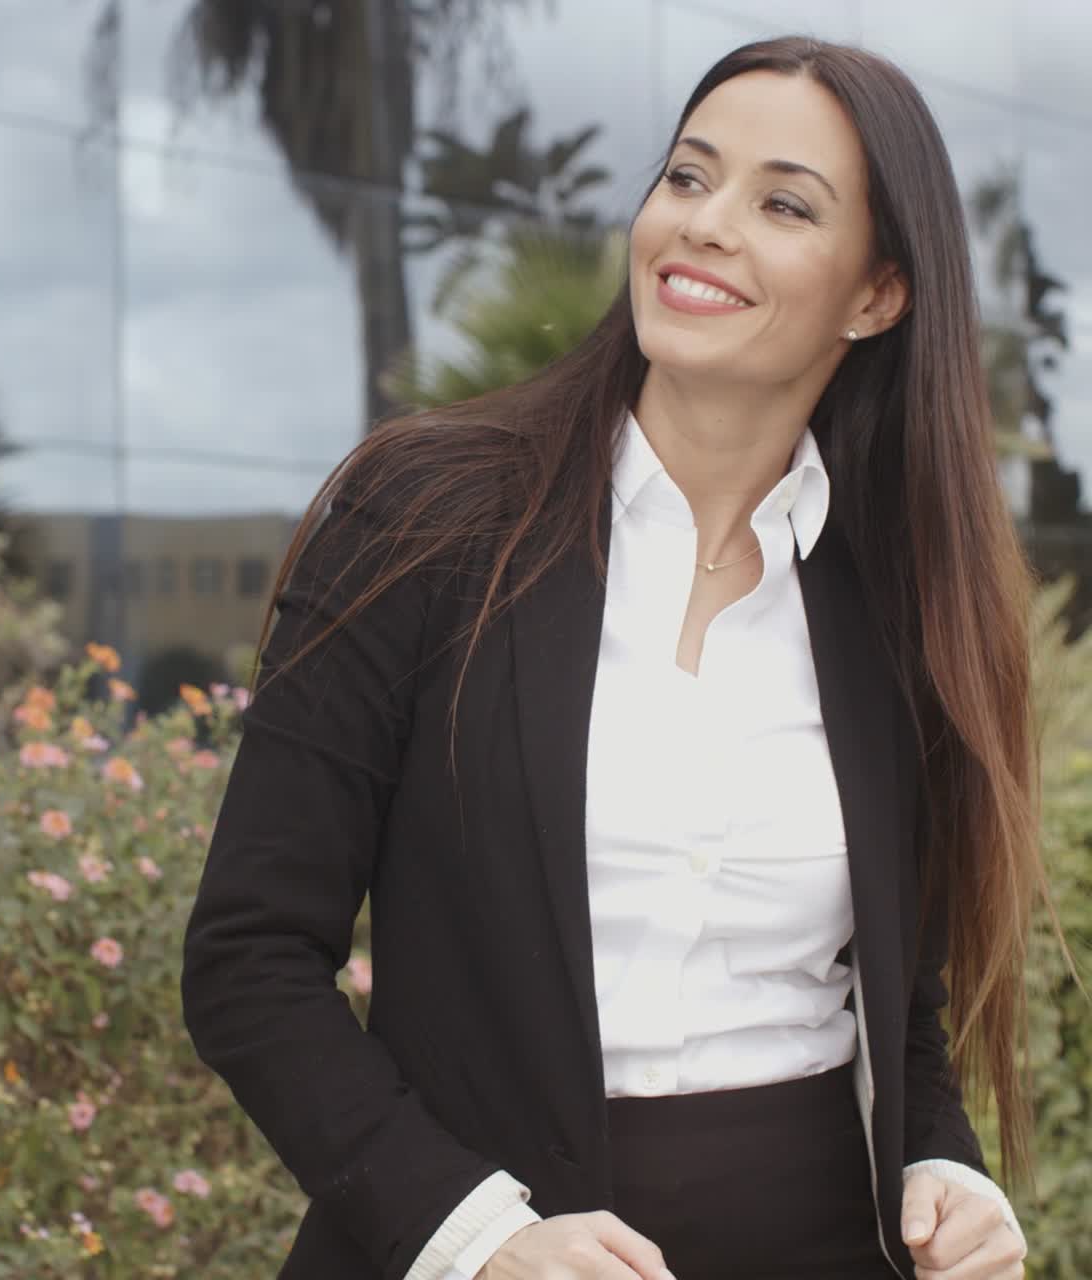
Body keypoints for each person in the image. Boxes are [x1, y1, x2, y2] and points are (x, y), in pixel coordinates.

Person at [181, 35, 1044, 1280]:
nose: (704, 225)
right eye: (687, 179)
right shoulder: (423, 515)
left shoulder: (900, 597)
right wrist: (475, 1235)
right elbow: (249, 956)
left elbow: (891, 1007)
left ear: (877, 294)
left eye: (782, 203)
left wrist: (942, 1169)